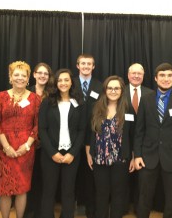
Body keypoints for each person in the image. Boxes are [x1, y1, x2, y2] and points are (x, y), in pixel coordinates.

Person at [134, 62, 172, 218]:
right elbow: (139, 131)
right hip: (147, 156)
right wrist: (138, 155)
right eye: (162, 75)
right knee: (144, 196)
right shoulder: (146, 100)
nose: (166, 79)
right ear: (155, 78)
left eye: (169, 75)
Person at [0, 61, 41, 218]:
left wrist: (26, 146)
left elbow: (37, 126)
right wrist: (6, 147)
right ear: (10, 77)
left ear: (28, 79)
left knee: (22, 188)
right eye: (16, 74)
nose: (20, 78)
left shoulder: (35, 99)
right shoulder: (0, 97)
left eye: (23, 75)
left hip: (26, 149)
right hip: (3, 148)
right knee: (4, 189)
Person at [39, 68, 85, 218]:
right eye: (60, 80)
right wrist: (53, 153)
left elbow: (81, 130)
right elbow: (42, 129)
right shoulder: (47, 102)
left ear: (72, 82)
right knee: (48, 190)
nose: (63, 83)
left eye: (66, 80)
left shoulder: (79, 102)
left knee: (68, 191)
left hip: (72, 154)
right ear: (55, 83)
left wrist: (72, 153)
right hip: (50, 153)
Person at [86, 75, 135, 218]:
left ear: (121, 90)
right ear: (105, 90)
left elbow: (133, 134)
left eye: (117, 88)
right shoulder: (96, 108)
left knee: (118, 193)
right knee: (101, 193)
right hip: (99, 158)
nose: (113, 91)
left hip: (121, 158)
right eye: (110, 88)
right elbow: (90, 132)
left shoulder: (128, 109)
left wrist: (133, 156)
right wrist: (89, 153)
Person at [73, 53, 103, 218]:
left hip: (94, 136)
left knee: (92, 176)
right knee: (72, 175)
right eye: (82, 63)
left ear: (93, 66)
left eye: (89, 64)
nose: (85, 66)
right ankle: (71, 208)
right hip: (72, 136)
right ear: (77, 65)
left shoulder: (100, 86)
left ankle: (91, 210)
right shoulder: (69, 83)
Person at [23, 62, 54, 218]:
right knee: (30, 178)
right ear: (34, 75)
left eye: (46, 74)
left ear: (49, 77)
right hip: (28, 143)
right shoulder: (25, 93)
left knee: (44, 179)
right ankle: (29, 211)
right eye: (39, 73)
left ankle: (43, 212)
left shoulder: (53, 95)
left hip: (46, 143)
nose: (42, 76)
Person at [124, 63, 153, 212]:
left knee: (142, 180)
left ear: (143, 76)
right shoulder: (119, 92)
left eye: (139, 74)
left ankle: (139, 208)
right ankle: (123, 207)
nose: (136, 76)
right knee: (123, 178)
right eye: (133, 73)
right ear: (128, 75)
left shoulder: (151, 94)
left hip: (144, 143)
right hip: (123, 142)